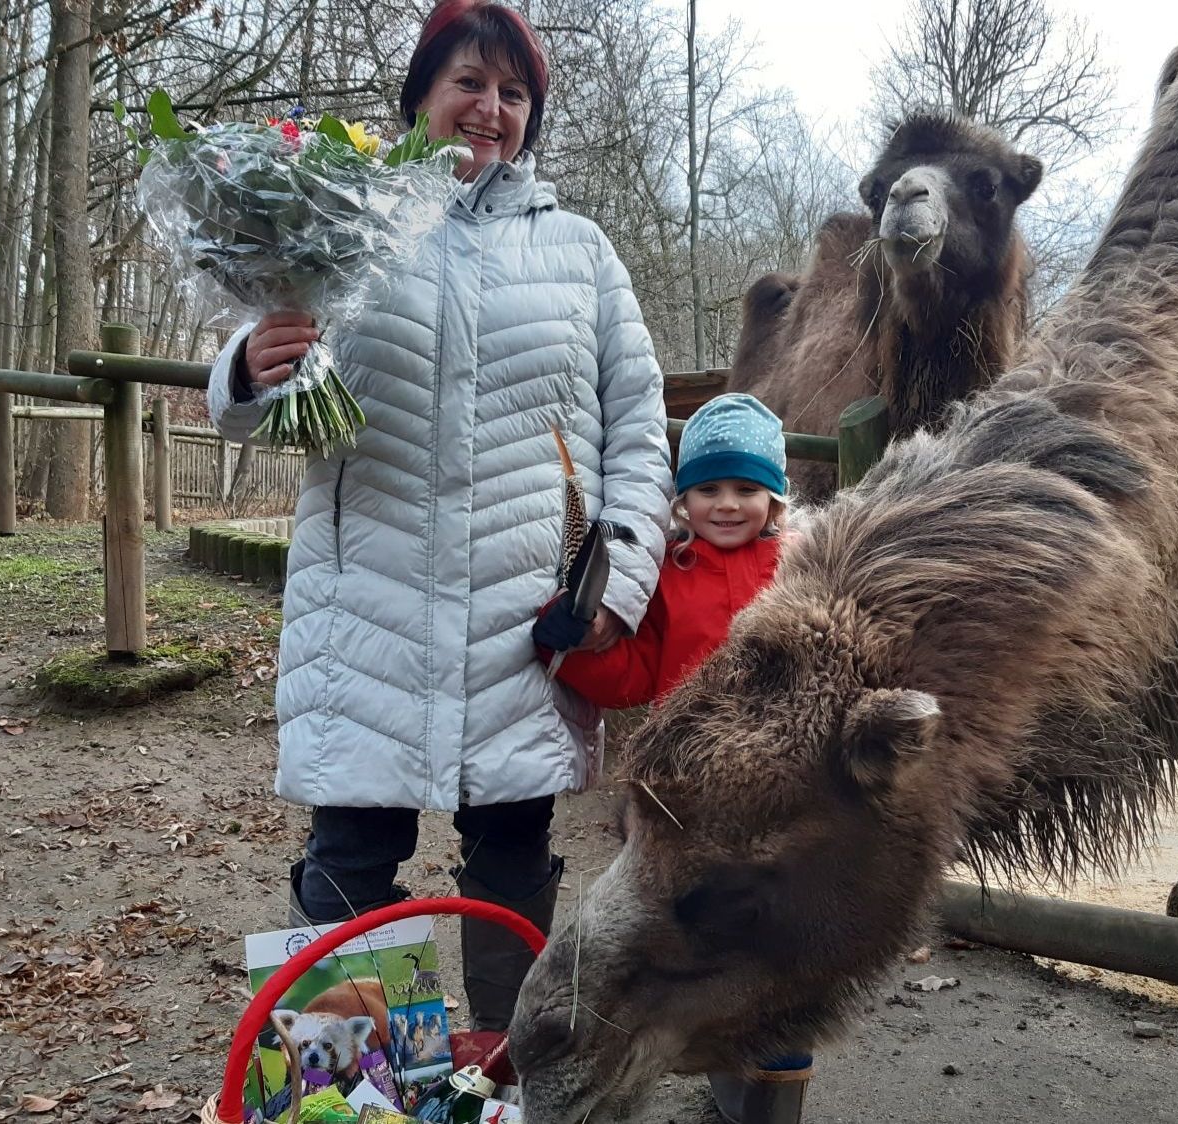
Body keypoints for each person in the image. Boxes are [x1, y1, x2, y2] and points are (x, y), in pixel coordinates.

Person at [205, 0, 673, 1043]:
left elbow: (639, 436)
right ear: (421, 95)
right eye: (468, 82)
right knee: (349, 855)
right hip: (367, 605)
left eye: (513, 93)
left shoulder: (583, 253)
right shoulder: (341, 223)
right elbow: (250, 398)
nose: (489, 109)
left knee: (511, 854)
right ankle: (343, 1086)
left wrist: (618, 587)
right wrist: (248, 365)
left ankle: (509, 1072)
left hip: (524, 617)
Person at [534, 392, 812, 1124]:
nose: (728, 504)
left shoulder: (801, 570)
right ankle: (678, 1053)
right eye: (709, 489)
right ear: (682, 499)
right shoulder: (667, 576)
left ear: (774, 497)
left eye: (747, 489)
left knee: (780, 943)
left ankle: (772, 1086)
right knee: (678, 933)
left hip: (782, 799)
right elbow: (632, 673)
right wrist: (562, 640)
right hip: (678, 801)